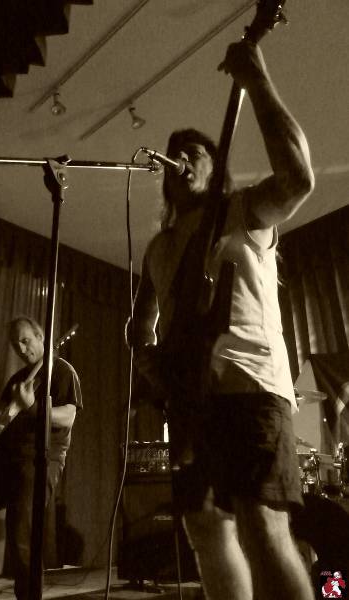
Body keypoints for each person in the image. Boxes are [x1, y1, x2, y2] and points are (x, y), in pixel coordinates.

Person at [127, 41, 315, 600]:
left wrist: (257, 80)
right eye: (174, 154)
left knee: (262, 528)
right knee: (206, 530)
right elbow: (140, 325)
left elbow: (298, 180)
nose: (180, 158)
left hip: (251, 388)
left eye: (194, 152)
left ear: (215, 168)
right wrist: (154, 368)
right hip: (192, 403)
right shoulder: (159, 248)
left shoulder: (241, 212)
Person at [0, 316, 82, 600]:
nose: (21, 348)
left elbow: (68, 417)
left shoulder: (62, 371)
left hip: (39, 460)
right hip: (3, 460)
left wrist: (33, 406)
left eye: (25, 340)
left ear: (41, 337)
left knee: (22, 535)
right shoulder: (18, 379)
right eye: (15, 344)